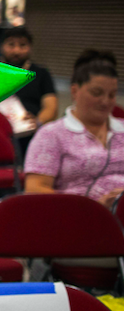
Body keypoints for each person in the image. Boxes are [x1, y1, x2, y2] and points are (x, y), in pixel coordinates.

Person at [24, 50, 121, 209]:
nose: (105, 102)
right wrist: (92, 207)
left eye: (112, 95)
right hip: (75, 219)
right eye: (97, 93)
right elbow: (34, 189)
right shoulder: (51, 134)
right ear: (75, 91)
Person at [0, 26, 57, 157]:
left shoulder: (40, 74)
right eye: (11, 45)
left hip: (30, 135)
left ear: (30, 48)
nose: (16, 50)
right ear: (1, 46)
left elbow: (51, 107)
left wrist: (38, 121)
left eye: (22, 45)